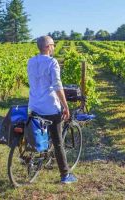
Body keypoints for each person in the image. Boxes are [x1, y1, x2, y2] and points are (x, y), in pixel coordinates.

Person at [27, 36, 77, 184]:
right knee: (58, 141)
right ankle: (65, 175)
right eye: (53, 45)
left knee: (38, 130)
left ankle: (36, 155)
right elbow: (57, 85)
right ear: (48, 46)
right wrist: (65, 106)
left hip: (34, 105)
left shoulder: (31, 61)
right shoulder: (52, 62)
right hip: (49, 106)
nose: (54, 47)